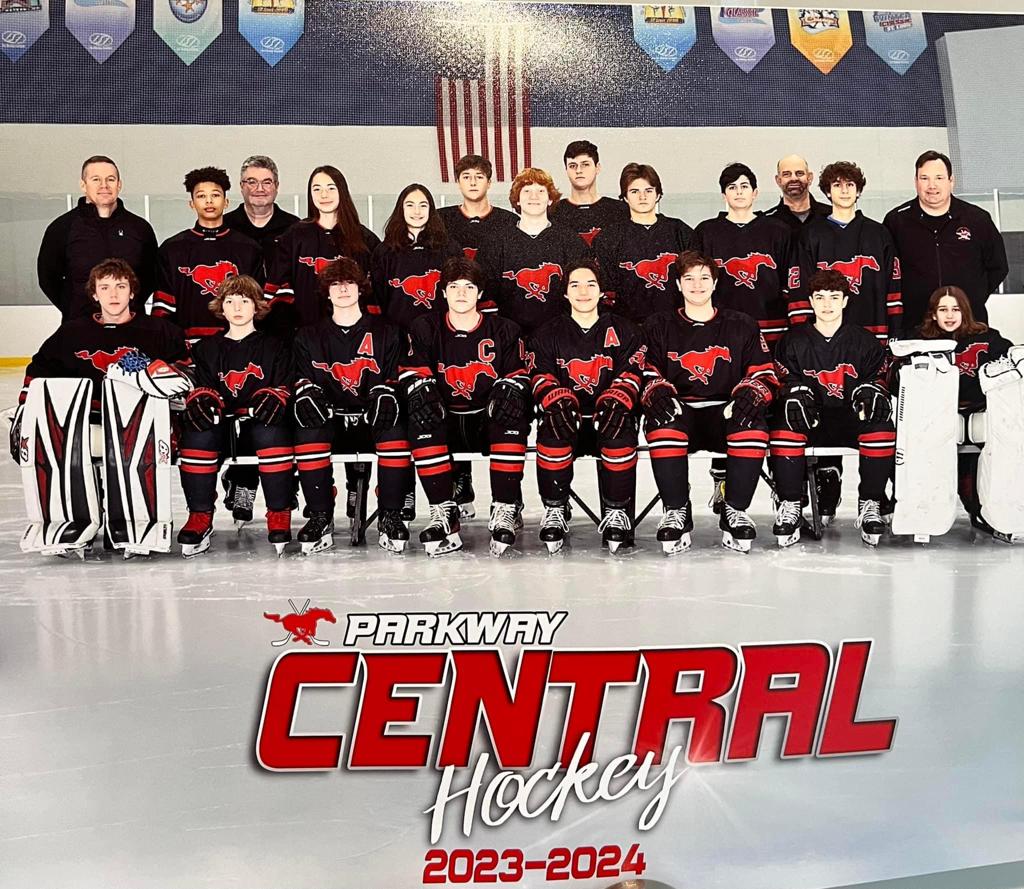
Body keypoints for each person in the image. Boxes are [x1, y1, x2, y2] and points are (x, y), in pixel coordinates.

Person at [786, 161, 902, 524]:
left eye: (850, 184)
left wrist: (894, 335)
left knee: (871, 411)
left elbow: (894, 290)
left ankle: (877, 493)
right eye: (836, 185)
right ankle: (827, 483)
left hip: (870, 340)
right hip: (822, 339)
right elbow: (799, 290)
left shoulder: (879, 234)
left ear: (859, 189)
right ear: (827, 191)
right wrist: (804, 337)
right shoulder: (811, 234)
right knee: (823, 404)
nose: (844, 190)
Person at [640, 251, 778, 553]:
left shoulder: (742, 324)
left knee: (751, 425)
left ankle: (735, 509)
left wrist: (752, 392)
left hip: (724, 412)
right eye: (689, 278)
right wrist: (655, 389)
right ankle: (676, 509)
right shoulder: (658, 325)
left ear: (715, 283)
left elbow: (764, 372)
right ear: (678, 284)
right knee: (662, 424)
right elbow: (645, 369)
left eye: (704, 278)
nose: (697, 285)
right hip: (681, 411)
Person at [399, 257, 530, 557]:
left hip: (485, 422)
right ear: (443, 292)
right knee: (423, 414)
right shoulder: (425, 327)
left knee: (511, 413)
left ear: (480, 293)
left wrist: (511, 390)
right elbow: (412, 372)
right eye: (454, 286)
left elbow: (519, 375)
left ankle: (505, 508)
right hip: (446, 421)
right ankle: (443, 512)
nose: (461, 293)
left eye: (469, 287)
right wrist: (421, 390)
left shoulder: (505, 329)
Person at [291, 257, 414, 555]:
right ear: (326, 292)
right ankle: (320, 515)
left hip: (373, 418)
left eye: (349, 283)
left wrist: (389, 391)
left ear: (361, 288)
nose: (343, 289)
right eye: (335, 284)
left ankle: (390, 514)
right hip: (331, 420)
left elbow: (397, 374)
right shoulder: (308, 335)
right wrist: (306, 392)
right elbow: (301, 378)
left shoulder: (388, 331)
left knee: (394, 427)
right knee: (308, 428)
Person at [11, 258, 189, 458]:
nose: (113, 294)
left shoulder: (161, 332)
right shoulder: (71, 333)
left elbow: (184, 370)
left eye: (121, 286)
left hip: (142, 419)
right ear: (95, 294)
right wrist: (26, 405)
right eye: (104, 288)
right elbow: (40, 369)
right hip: (84, 419)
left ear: (132, 292)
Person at [769, 269, 896, 547]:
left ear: (845, 301)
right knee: (783, 424)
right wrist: (792, 392)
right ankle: (790, 503)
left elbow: (878, 378)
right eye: (820, 297)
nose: (827, 304)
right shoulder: (792, 341)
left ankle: (871, 503)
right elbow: (783, 379)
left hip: (849, 418)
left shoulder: (864, 340)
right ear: (810, 301)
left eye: (834, 297)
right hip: (811, 419)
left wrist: (873, 390)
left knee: (881, 425)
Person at [529, 259, 647, 553]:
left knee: (619, 429)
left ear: (601, 291)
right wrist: (556, 400)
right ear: (565, 293)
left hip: (608, 418)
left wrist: (616, 400)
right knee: (552, 429)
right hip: (566, 419)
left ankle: (617, 511)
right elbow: (540, 373)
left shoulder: (625, 330)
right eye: (575, 285)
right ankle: (555, 508)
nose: (583, 292)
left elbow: (632, 372)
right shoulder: (547, 332)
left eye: (591, 284)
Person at [177, 276, 294, 557]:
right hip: (223, 421)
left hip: (260, 420)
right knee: (197, 432)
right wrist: (203, 399)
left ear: (257, 306)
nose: (237, 307)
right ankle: (199, 514)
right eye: (230, 301)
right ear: (221, 307)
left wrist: (276, 395)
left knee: (271, 431)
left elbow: (284, 383)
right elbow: (202, 386)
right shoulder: (205, 348)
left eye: (244, 301)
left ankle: (279, 512)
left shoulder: (276, 345)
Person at [914, 285, 1013, 534]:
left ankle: (986, 509)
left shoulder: (989, 339)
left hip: (980, 412)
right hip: (938, 415)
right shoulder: (921, 341)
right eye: (943, 309)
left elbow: (1012, 362)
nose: (950, 315)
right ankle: (919, 510)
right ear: (933, 314)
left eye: (955, 309)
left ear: (965, 311)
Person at [884, 150, 1008, 326]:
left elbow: (998, 266)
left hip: (968, 324)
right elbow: (887, 273)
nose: (932, 185)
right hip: (915, 324)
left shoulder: (977, 219)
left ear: (951, 181)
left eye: (939, 178)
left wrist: (972, 298)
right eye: (924, 178)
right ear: (916, 182)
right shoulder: (896, 221)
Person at [152, 166, 264, 346]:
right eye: (201, 196)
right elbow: (163, 308)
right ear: (192, 203)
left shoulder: (248, 248)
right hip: (187, 348)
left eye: (215, 195)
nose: (209, 201)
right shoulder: (172, 249)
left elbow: (258, 305)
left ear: (226, 202)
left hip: (238, 347)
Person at [37, 155, 158, 322]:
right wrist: (74, 309)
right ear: (83, 185)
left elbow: (152, 276)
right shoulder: (62, 228)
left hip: (131, 326)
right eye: (96, 179)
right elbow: (47, 277)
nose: (104, 185)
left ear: (119, 185)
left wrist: (130, 306)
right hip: (80, 325)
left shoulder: (140, 228)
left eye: (110, 179)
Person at [265, 165, 381, 334]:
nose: (324, 195)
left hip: (354, 337)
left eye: (331, 188)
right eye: (317, 189)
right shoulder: (294, 236)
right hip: (304, 335)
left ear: (342, 191)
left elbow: (375, 292)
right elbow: (277, 289)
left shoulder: (365, 239)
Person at [692, 162, 791, 351]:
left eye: (744, 186)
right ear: (724, 195)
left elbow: (789, 279)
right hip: (721, 325)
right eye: (732, 187)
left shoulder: (778, 231)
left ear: (755, 193)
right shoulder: (706, 231)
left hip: (771, 325)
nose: (739, 192)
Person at [478, 167, 586, 337]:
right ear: (517, 200)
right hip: (509, 336)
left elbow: (582, 291)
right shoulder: (496, 242)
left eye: (541, 191)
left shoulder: (571, 241)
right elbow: (485, 296)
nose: (534, 196)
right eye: (527, 191)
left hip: (560, 335)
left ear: (550, 199)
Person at [593, 162, 693, 323]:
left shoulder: (680, 231)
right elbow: (607, 291)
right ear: (625, 197)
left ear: (658, 194)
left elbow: (694, 281)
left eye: (648, 190)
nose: (642, 197)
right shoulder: (608, 238)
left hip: (676, 324)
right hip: (627, 326)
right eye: (634, 191)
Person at [371, 184, 461, 333]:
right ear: (401, 209)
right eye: (410, 205)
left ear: (431, 209)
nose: (417, 211)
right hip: (397, 335)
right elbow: (378, 297)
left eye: (423, 205)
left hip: (441, 333)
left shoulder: (450, 249)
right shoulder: (384, 251)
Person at [437, 155, 517, 262]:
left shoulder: (509, 221)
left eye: (479, 177)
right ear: (458, 183)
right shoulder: (440, 219)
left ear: (489, 183)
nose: (473, 183)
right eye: (466, 177)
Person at [223, 154, 299, 266]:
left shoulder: (294, 228)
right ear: (241, 186)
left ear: (277, 186)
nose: (259, 189)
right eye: (252, 182)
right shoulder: (225, 226)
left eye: (267, 182)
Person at [549, 140, 629, 246]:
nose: (578, 170)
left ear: (597, 168)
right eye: (572, 166)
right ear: (566, 170)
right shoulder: (553, 212)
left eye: (585, 164)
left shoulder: (620, 210)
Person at [762, 154, 830, 232]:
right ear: (778, 180)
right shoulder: (765, 222)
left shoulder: (831, 216)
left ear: (809, 178)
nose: (794, 178)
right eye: (786, 174)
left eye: (799, 173)